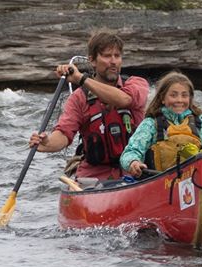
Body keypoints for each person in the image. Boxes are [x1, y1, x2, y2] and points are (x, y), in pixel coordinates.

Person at [28, 30, 149, 180]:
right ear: (92, 60)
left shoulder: (136, 83)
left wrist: (80, 78)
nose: (113, 61)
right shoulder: (79, 98)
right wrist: (46, 142)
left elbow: (124, 100)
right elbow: (64, 135)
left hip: (135, 171)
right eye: (106, 56)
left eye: (117, 56)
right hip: (94, 176)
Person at [120, 71, 202, 192]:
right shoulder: (150, 124)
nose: (179, 100)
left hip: (196, 186)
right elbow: (131, 152)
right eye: (173, 95)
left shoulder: (200, 125)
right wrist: (133, 162)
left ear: (190, 99)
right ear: (162, 98)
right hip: (162, 187)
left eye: (184, 95)